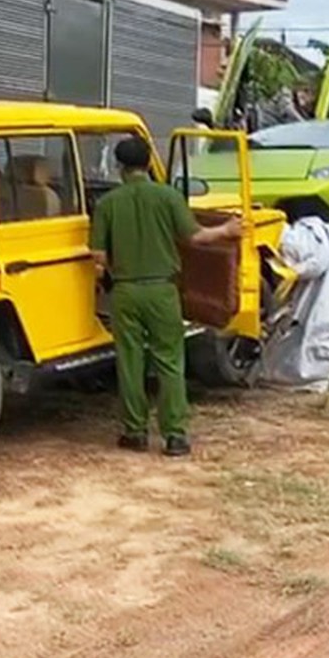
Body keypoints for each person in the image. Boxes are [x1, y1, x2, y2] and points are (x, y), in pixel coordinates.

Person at [90, 136, 243, 457]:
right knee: (169, 361)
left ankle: (134, 432)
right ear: (148, 163)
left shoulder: (107, 204)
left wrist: (106, 281)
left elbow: (99, 258)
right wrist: (228, 231)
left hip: (126, 292)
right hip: (162, 291)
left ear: (119, 168)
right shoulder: (168, 196)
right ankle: (175, 436)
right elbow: (197, 236)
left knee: (130, 361)